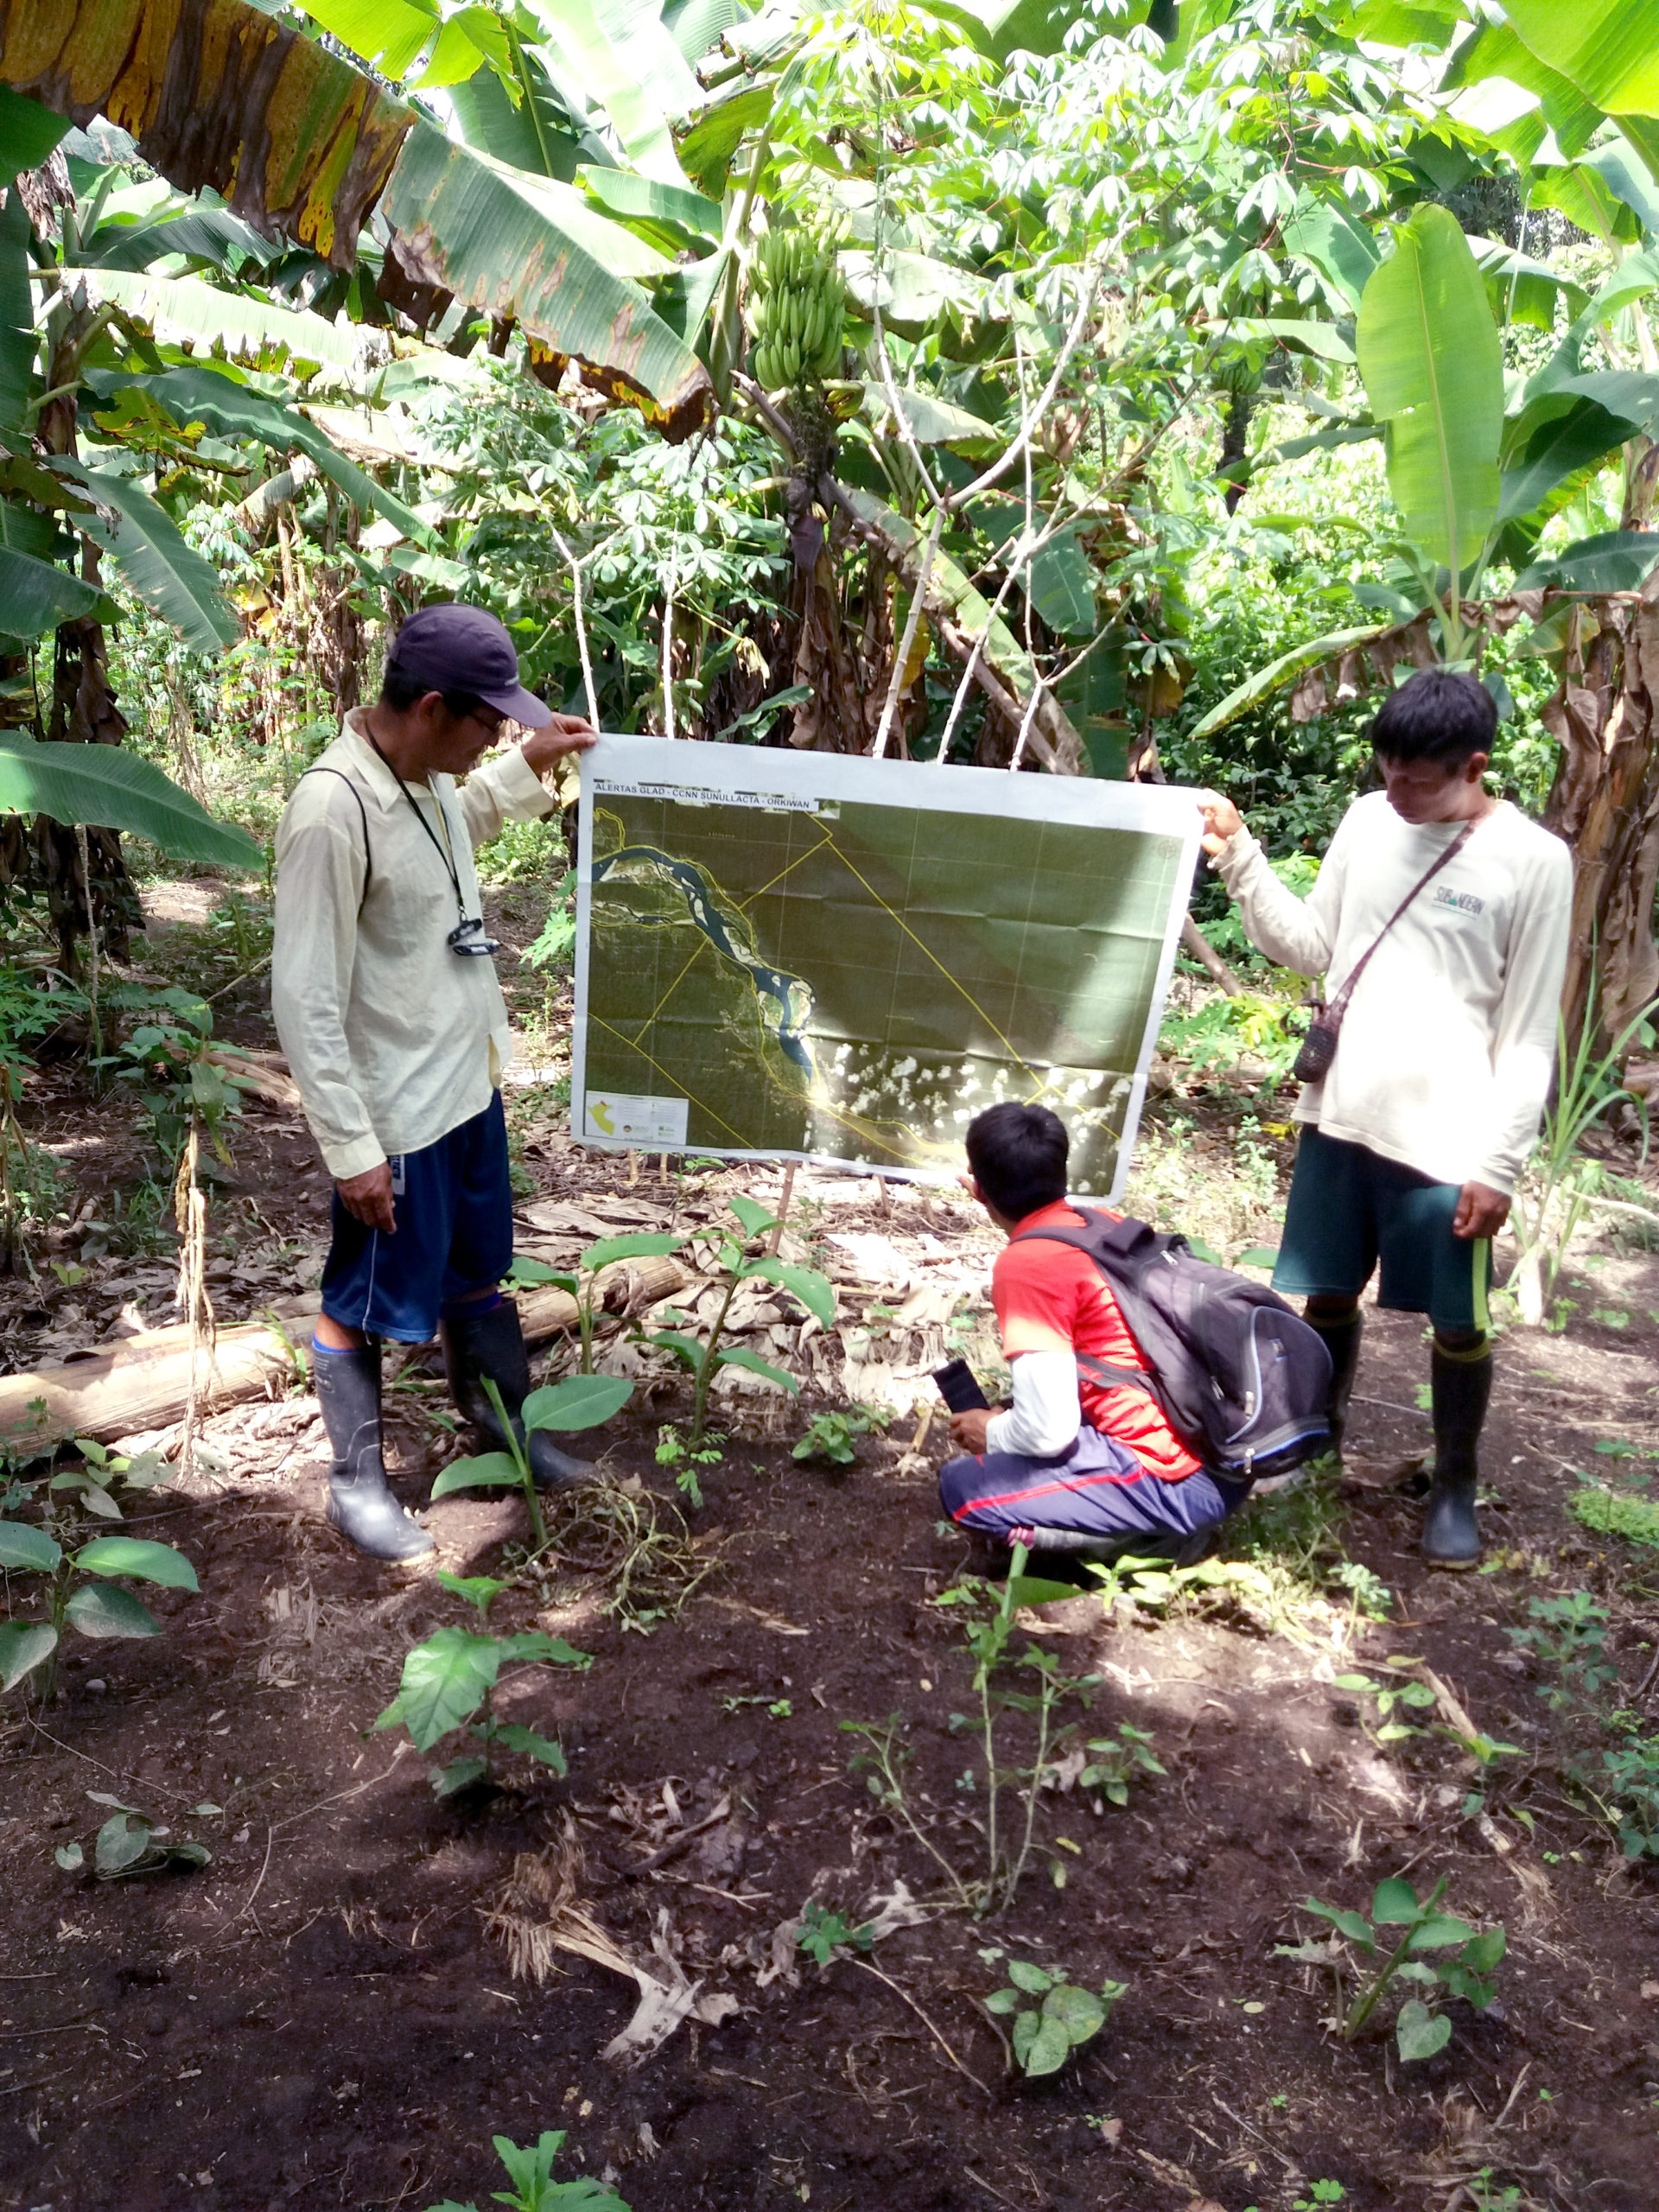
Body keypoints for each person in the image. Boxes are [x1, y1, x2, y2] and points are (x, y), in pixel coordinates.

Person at [1198, 666, 1572, 1567]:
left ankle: (1454, 1482)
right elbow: (1314, 947)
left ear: (1474, 765)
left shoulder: (1533, 862)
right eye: (1387, 771)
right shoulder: (1369, 820)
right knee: (1326, 1291)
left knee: (1457, 1317)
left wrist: (1501, 1165)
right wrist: (1240, 853)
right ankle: (1319, 1451)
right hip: (1343, 1114)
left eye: (1418, 779)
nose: (1396, 791)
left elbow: (1526, 1034)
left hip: (1448, 1139)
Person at [272, 605, 596, 1561]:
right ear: (427, 707)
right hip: (397, 1112)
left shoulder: (420, 777)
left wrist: (531, 761)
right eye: (487, 721)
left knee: (476, 1270)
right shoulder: (333, 812)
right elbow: (305, 995)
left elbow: (462, 821)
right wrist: (351, 1148)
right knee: (365, 1295)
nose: (497, 732)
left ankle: (501, 1425)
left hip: (464, 1084)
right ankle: (358, 1484)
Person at [938, 1103, 1249, 1568]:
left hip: (1177, 1481)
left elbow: (1048, 1433)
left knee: (963, 1490)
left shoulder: (1030, 1265)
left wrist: (993, 1432)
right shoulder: (1099, 1225)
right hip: (1219, 1450)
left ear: (978, 1188)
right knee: (1013, 1418)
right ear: (1061, 1171)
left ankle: (1146, 1543)